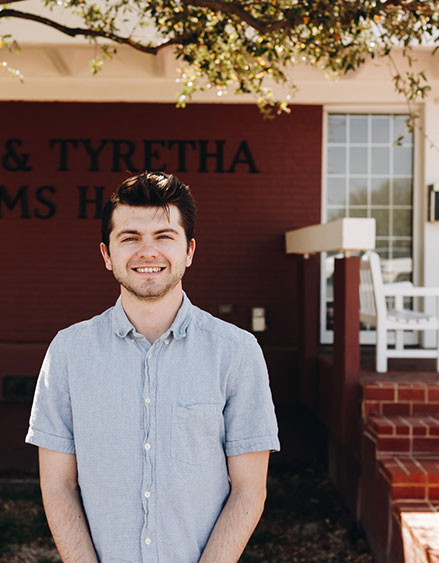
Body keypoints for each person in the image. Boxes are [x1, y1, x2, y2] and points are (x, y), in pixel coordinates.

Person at [25, 171, 280, 563]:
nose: (148, 252)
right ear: (107, 254)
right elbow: (58, 484)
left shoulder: (236, 352)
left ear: (189, 250)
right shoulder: (68, 352)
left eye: (164, 236)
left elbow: (249, 490)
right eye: (130, 238)